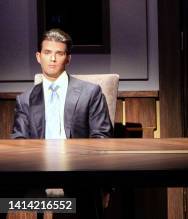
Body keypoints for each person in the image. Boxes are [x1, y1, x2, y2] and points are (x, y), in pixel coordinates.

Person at [9, 28, 112, 219]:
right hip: (38, 170)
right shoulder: (25, 99)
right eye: (48, 53)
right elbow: (19, 142)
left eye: (59, 53)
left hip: (79, 170)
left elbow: (102, 138)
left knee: (78, 199)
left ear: (68, 58)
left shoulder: (91, 92)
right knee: (7, 199)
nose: (53, 59)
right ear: (38, 57)